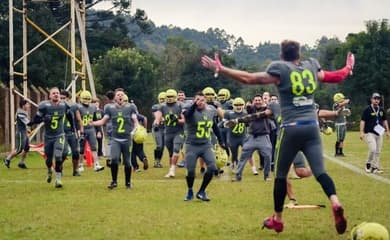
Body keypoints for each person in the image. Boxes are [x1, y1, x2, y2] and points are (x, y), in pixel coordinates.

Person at [201, 40, 354, 234]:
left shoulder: (280, 70)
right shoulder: (311, 66)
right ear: (299, 54)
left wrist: (221, 68)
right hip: (312, 127)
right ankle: (335, 201)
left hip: (291, 128)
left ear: (282, 56)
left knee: (280, 175)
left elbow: (248, 78)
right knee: (320, 172)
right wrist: (348, 67)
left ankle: (278, 220)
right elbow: (335, 76)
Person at [89, 89, 139, 189]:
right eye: (118, 95)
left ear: (124, 97)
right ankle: (114, 181)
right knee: (114, 159)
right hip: (115, 139)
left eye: (122, 95)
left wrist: (136, 129)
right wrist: (93, 123)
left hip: (127, 139)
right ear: (115, 97)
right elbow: (103, 121)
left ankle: (128, 182)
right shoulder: (110, 108)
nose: (120, 96)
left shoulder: (130, 107)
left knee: (127, 162)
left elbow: (135, 120)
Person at [182, 91, 224, 201]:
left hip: (206, 145)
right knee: (191, 170)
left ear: (205, 101)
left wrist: (221, 141)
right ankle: (190, 190)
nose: (199, 102)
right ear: (193, 101)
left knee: (212, 167)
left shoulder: (210, 110)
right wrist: (194, 104)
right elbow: (187, 115)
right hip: (192, 145)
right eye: (197, 100)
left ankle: (201, 191)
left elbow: (214, 126)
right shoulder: (190, 110)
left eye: (202, 100)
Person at [27, 87, 72, 188]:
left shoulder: (64, 105)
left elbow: (70, 116)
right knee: (49, 159)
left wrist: (73, 127)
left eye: (57, 93)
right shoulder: (44, 106)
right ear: (50, 96)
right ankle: (49, 170)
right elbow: (36, 119)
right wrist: (44, 119)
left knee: (59, 157)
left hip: (59, 135)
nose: (56, 94)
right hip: (48, 137)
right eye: (54, 93)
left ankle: (58, 179)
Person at [225, 94, 272, 181]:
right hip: (251, 137)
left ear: (262, 101)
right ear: (253, 101)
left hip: (263, 137)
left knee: (267, 157)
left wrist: (236, 121)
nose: (258, 101)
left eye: (259, 100)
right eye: (256, 100)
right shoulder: (250, 110)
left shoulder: (267, 109)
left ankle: (267, 176)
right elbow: (248, 109)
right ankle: (238, 176)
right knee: (243, 156)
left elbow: (258, 113)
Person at [154, 89, 185, 178]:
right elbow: (158, 117)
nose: (170, 98)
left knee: (176, 149)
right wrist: (156, 124)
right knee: (171, 153)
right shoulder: (162, 106)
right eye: (168, 97)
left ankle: (172, 170)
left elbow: (184, 120)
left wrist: (176, 120)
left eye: (171, 96)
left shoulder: (180, 105)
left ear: (175, 97)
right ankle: (171, 170)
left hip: (178, 131)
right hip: (168, 132)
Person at [360, 92, 390, 174]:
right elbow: (363, 121)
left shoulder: (381, 110)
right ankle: (368, 163)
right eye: (375, 99)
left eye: (378, 99)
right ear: (371, 99)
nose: (376, 100)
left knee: (378, 151)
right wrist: (361, 132)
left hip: (379, 133)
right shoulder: (367, 109)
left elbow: (384, 120)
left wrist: (387, 130)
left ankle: (375, 167)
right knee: (373, 149)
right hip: (369, 133)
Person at [78, 90, 105, 172]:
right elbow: (76, 120)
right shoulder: (78, 107)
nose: (86, 100)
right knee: (81, 148)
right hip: (82, 130)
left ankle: (96, 164)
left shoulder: (93, 107)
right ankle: (80, 164)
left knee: (94, 147)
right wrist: (78, 130)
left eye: (88, 98)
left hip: (91, 129)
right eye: (85, 98)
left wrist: (98, 130)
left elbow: (95, 119)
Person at [60, 90, 84, 176]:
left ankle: (75, 170)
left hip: (72, 132)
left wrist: (81, 131)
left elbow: (79, 119)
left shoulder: (73, 106)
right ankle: (59, 167)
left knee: (76, 152)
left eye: (64, 98)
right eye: (61, 98)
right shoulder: (56, 107)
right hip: (61, 133)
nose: (62, 100)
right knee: (64, 152)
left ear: (68, 98)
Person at [4, 99, 31, 169]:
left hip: (24, 132)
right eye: (27, 104)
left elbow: (25, 124)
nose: (28, 106)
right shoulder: (20, 113)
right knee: (19, 149)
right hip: (20, 133)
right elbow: (27, 122)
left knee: (26, 147)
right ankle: (7, 159)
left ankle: (21, 163)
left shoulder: (24, 112)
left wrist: (28, 130)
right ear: (23, 105)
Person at [151, 91, 166, 168]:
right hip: (157, 128)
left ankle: (158, 161)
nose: (162, 100)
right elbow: (157, 116)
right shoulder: (156, 107)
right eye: (161, 99)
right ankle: (156, 162)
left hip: (165, 128)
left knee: (162, 146)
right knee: (159, 145)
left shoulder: (169, 107)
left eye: (164, 99)